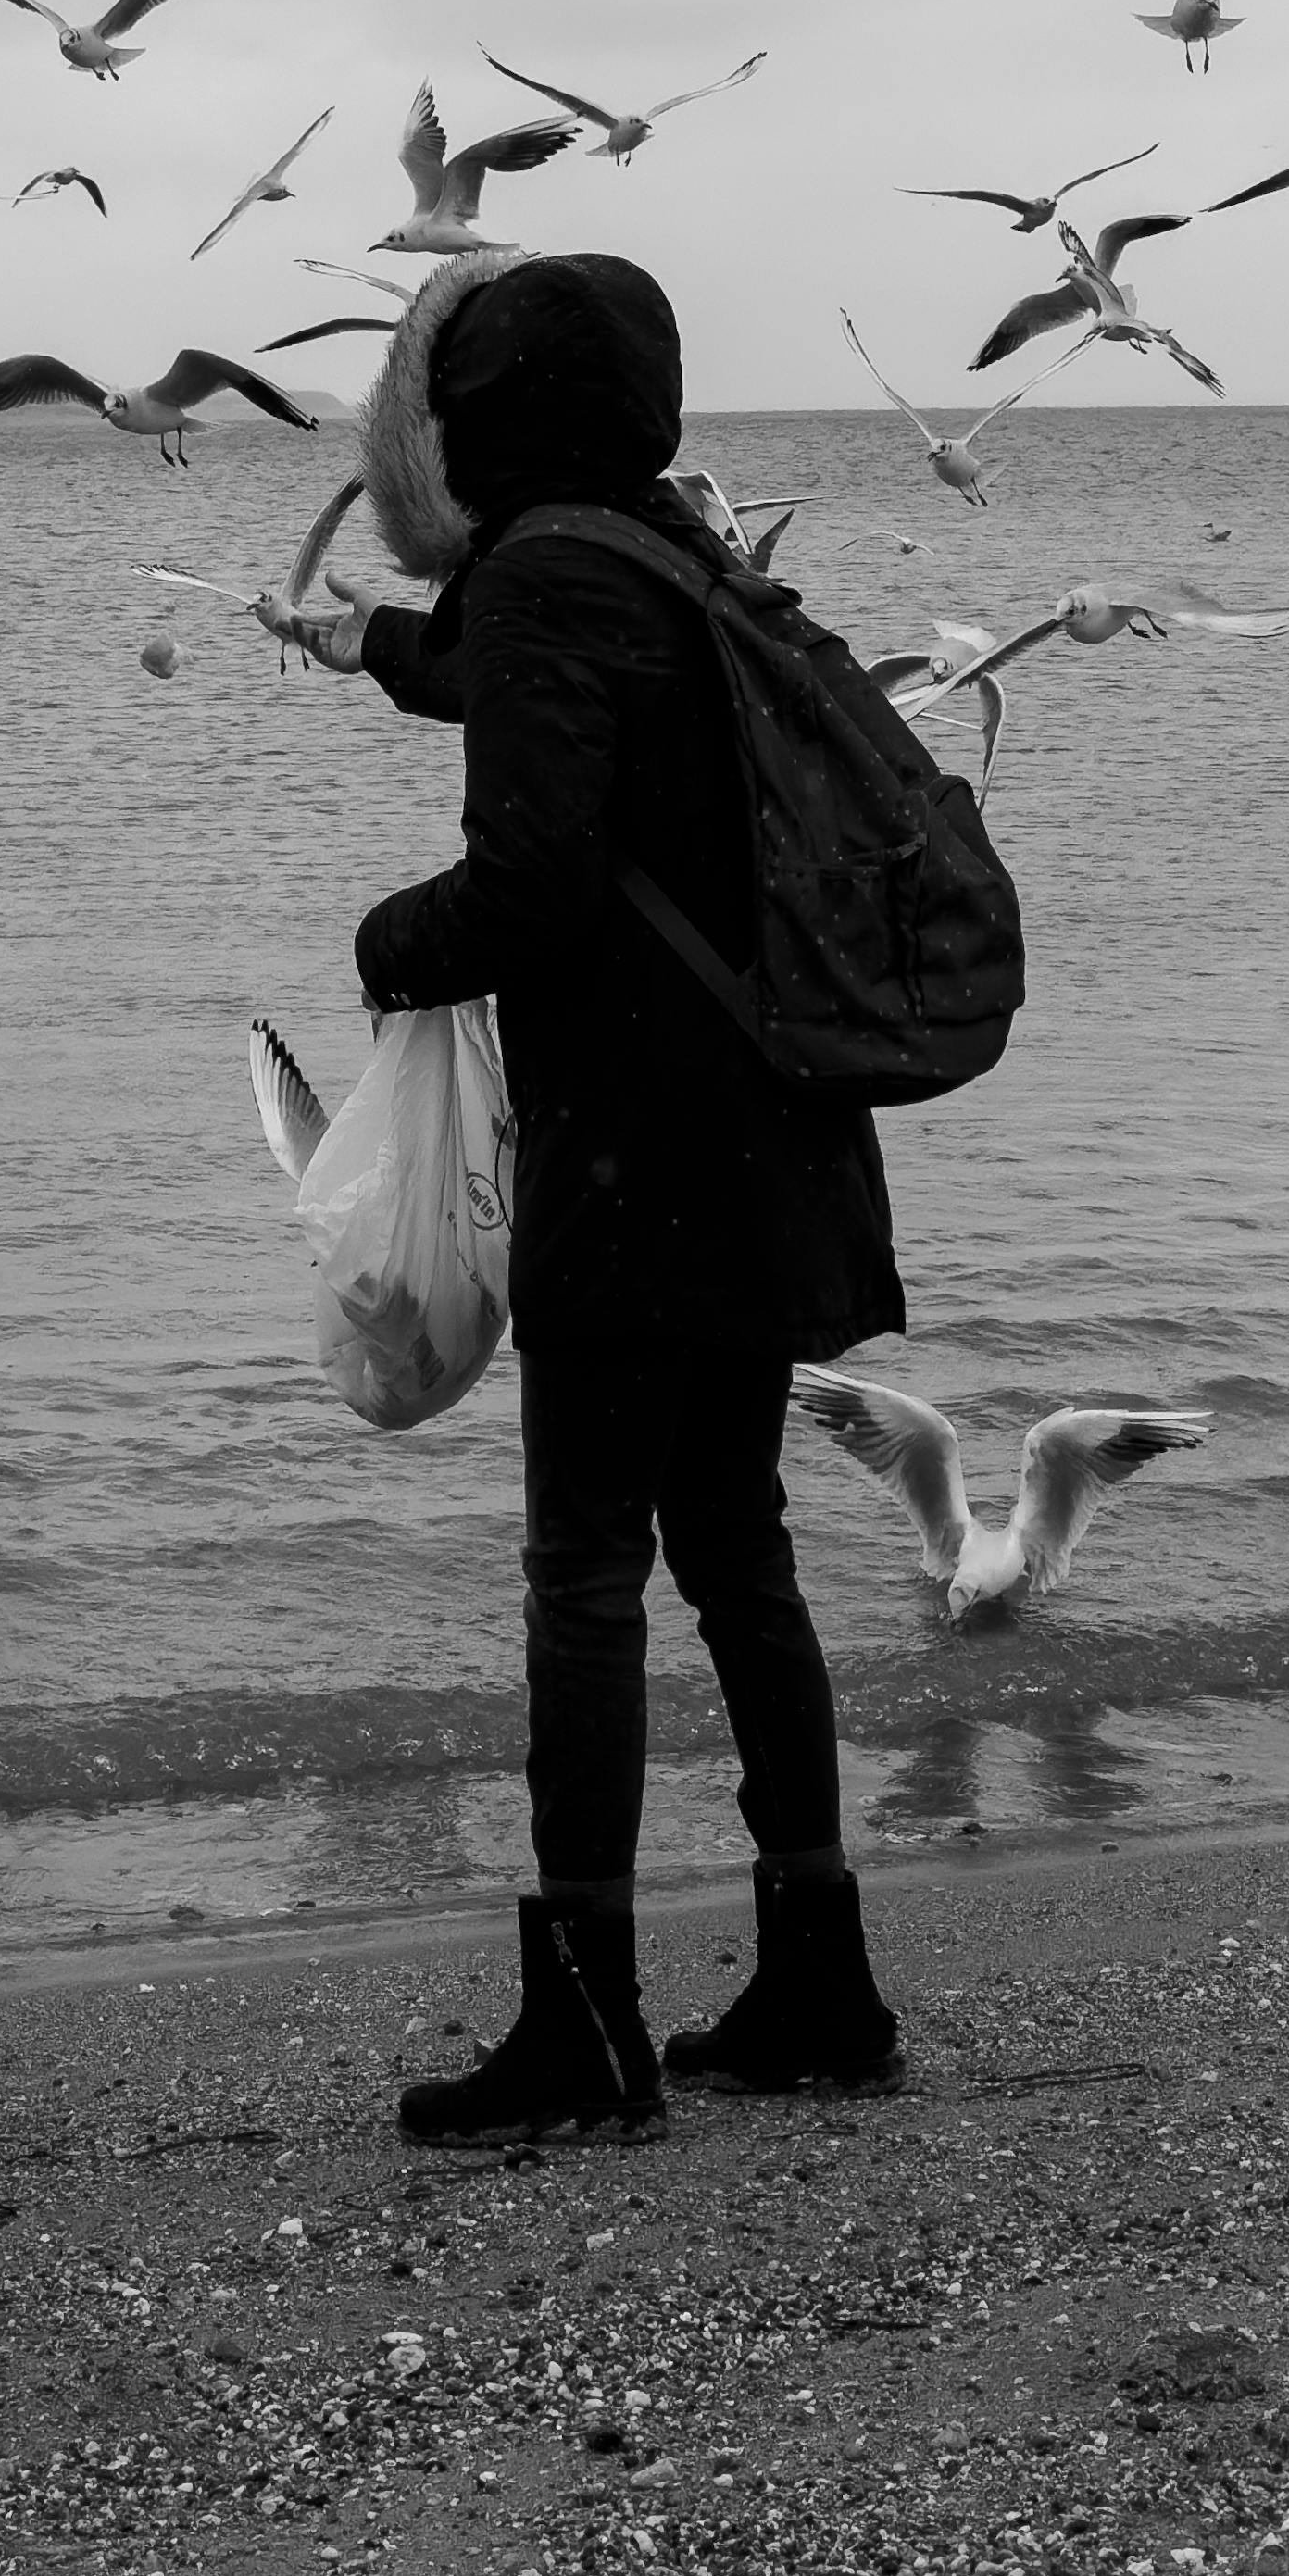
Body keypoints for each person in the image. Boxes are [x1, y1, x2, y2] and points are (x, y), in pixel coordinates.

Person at [316, 250, 904, 2134]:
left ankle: (584, 2021)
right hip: (769, 1129)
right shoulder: (671, 552)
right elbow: (517, 677)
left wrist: (383, 938)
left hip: (638, 1151)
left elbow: (533, 884)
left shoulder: (558, 567)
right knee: (733, 1544)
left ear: (487, 415)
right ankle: (820, 1976)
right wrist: (364, 647)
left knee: (583, 1569)